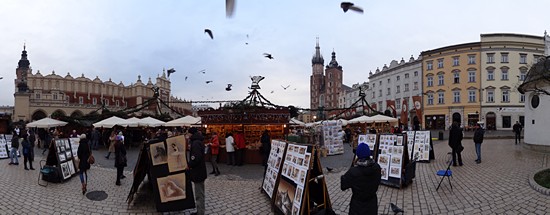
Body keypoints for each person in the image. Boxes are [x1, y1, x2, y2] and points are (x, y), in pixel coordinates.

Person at [341, 143, 381, 215]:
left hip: (357, 207)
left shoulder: (353, 172)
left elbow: (343, 185)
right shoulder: (377, 167)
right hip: (372, 204)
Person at [188, 127, 207, 215]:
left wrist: (189, 164)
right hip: (200, 171)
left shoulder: (195, 143)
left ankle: (200, 213)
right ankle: (199, 211)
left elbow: (196, 158)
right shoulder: (198, 141)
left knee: (199, 194)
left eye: (188, 133)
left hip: (198, 172)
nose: (187, 135)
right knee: (199, 192)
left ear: (191, 134)